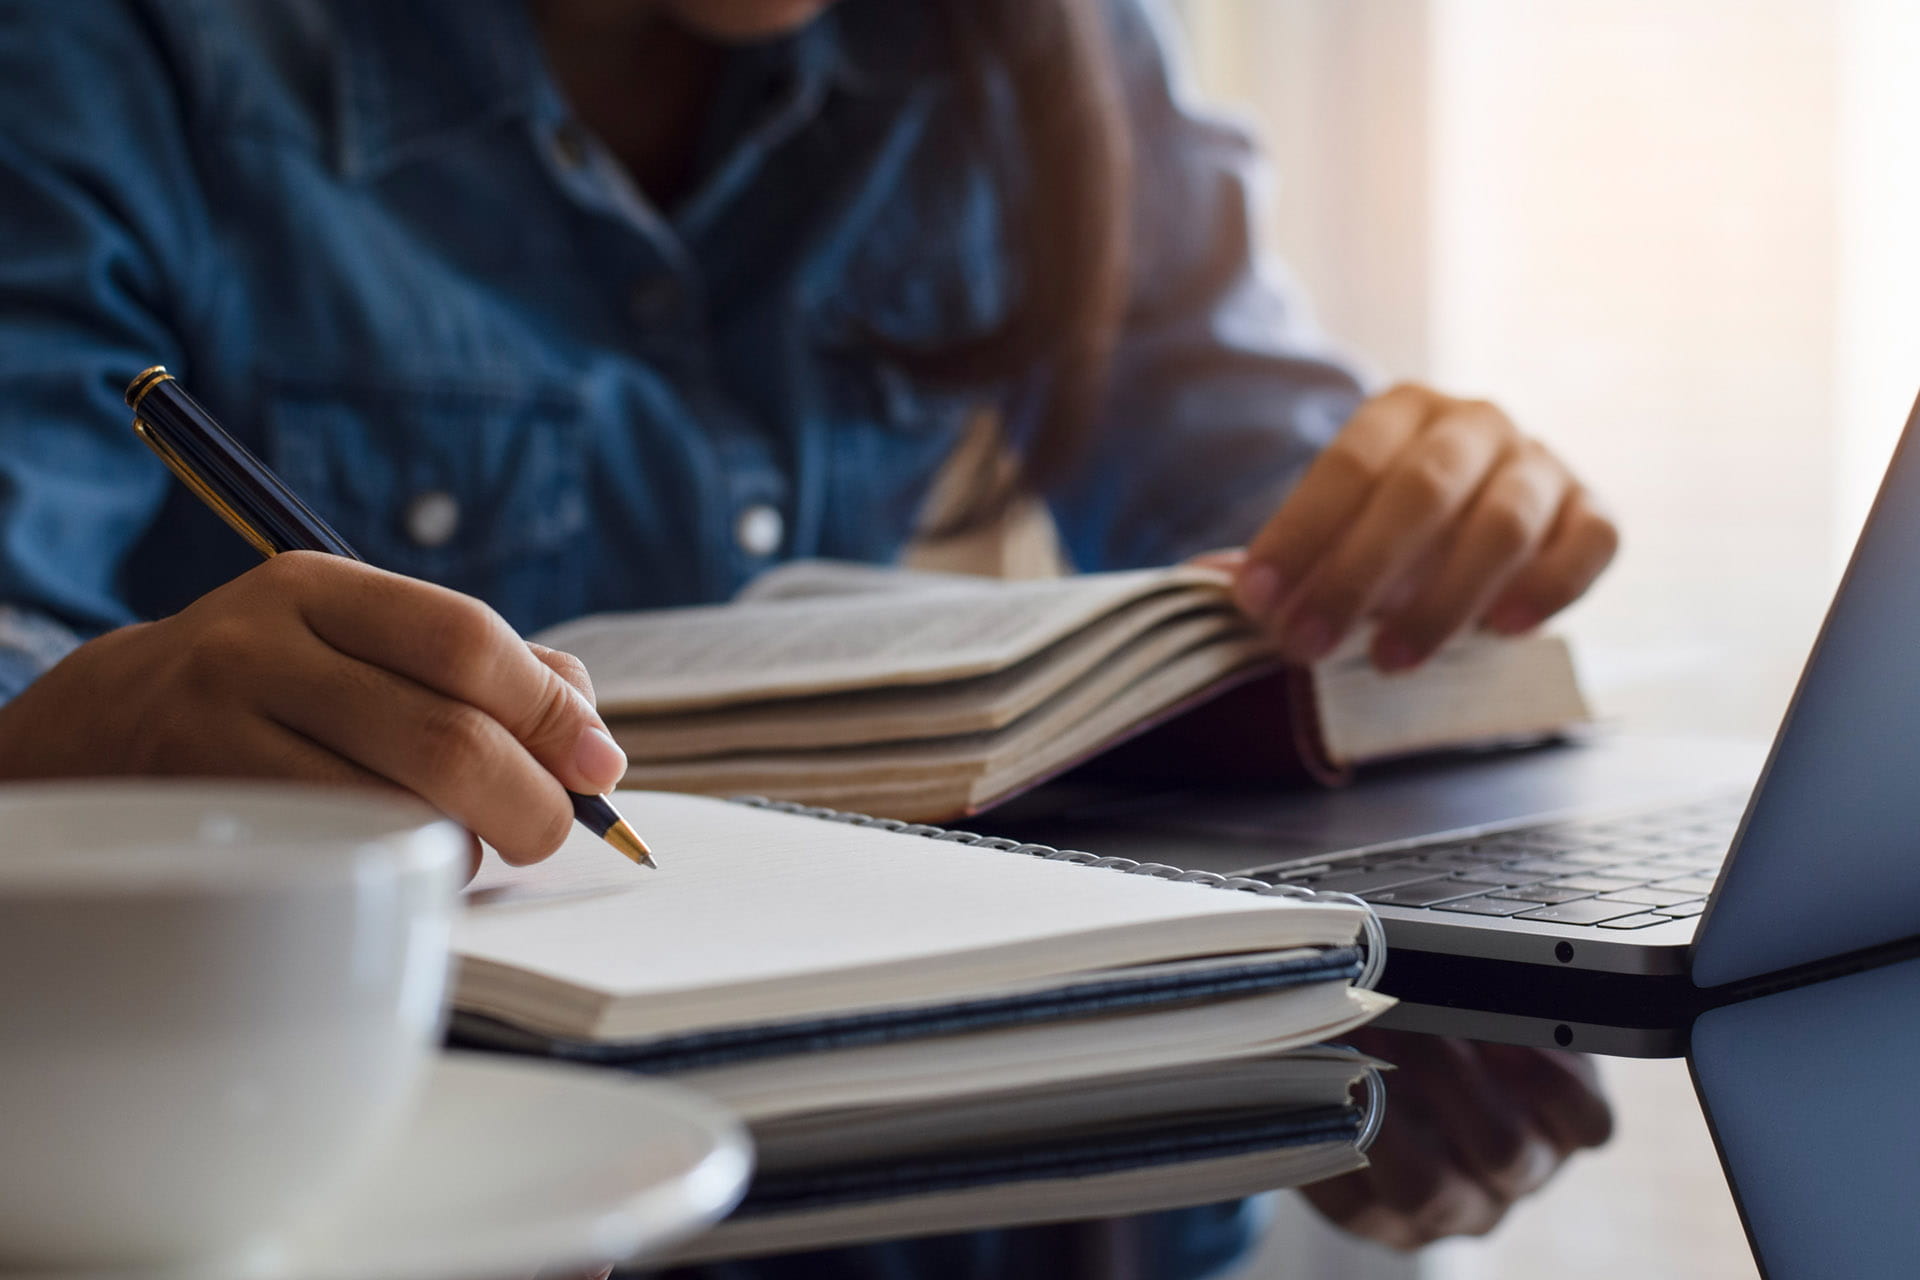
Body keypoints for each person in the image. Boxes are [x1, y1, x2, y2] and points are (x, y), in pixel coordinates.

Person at [0, 0, 1615, 1274]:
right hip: (299, 1143)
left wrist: (1421, 514)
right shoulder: (121, 53)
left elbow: (1256, 494)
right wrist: (73, 730)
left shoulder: (1028, 39)